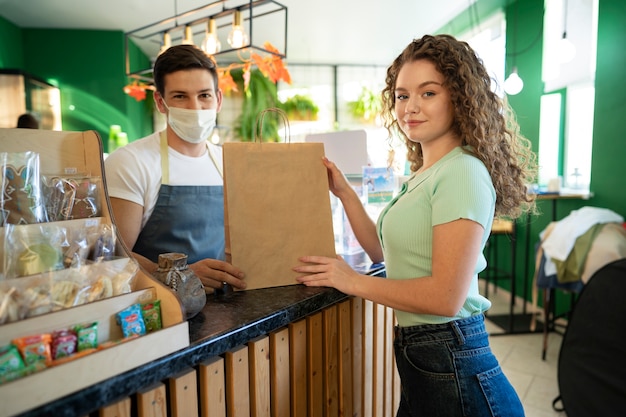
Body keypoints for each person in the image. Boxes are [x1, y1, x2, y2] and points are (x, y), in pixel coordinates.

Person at [293, 34, 536, 416]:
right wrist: (344, 193)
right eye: (403, 95)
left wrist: (349, 279)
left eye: (428, 93)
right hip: (425, 357)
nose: (410, 107)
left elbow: (445, 297)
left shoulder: (462, 172)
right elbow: (382, 252)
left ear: (459, 97)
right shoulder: (424, 173)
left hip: (452, 355)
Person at [105, 44, 246, 292]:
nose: (195, 108)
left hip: (225, 307)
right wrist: (178, 276)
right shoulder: (130, 163)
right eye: (180, 96)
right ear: (160, 102)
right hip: (160, 309)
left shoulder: (229, 162)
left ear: (218, 99)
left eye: (204, 95)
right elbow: (114, 255)